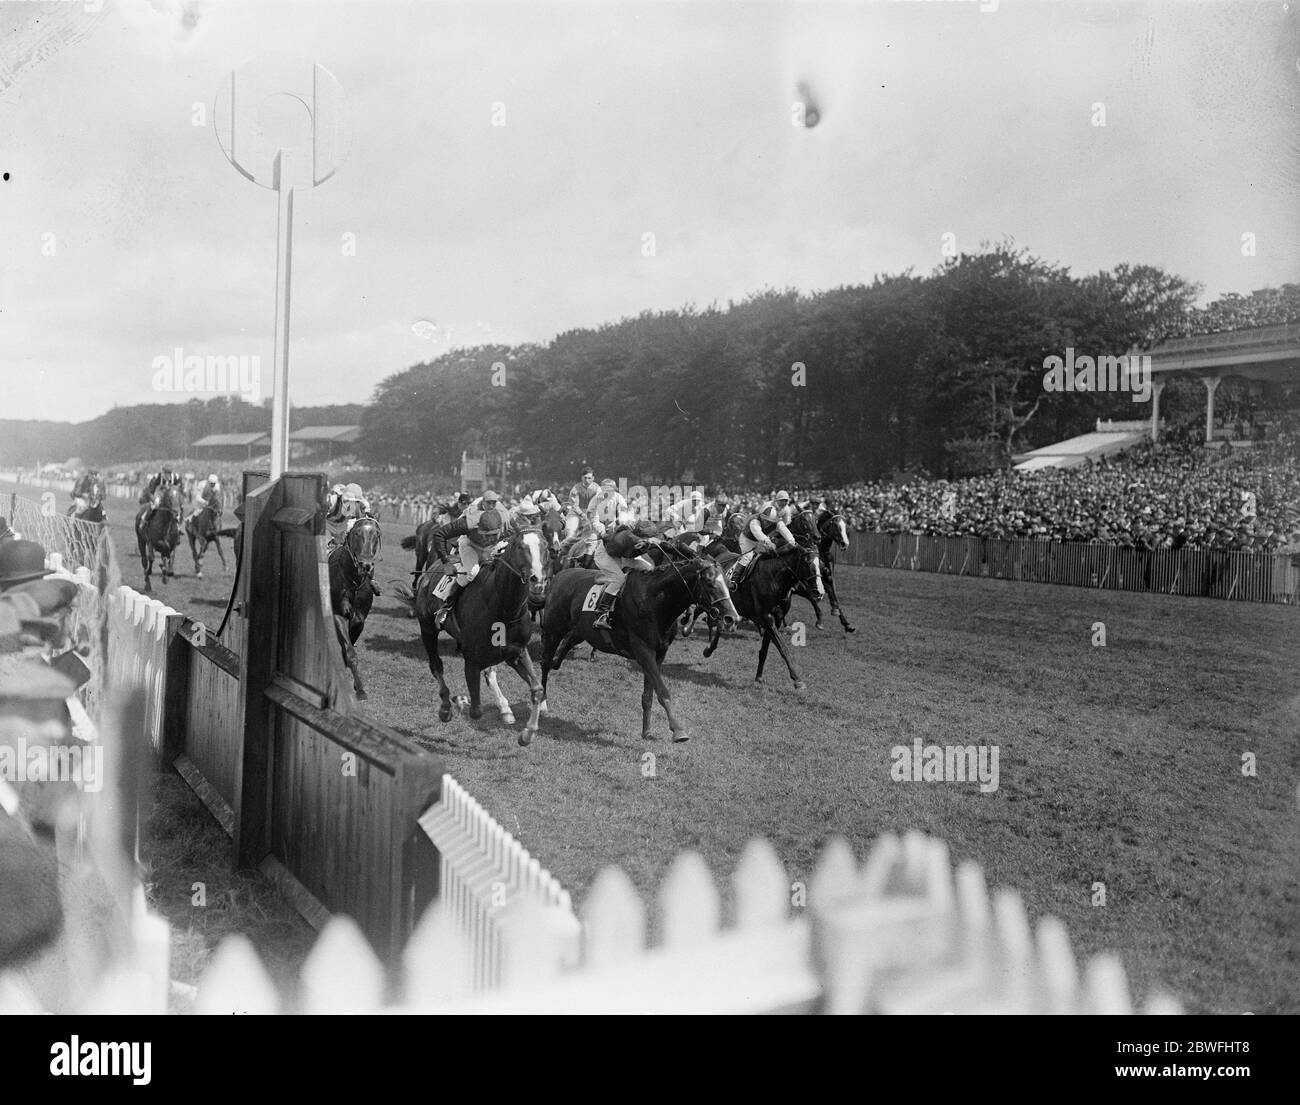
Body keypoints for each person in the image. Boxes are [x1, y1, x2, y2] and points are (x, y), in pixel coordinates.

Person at [427, 506, 507, 629]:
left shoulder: (507, 522)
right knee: (473, 571)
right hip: (470, 545)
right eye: (486, 535)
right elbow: (439, 534)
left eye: (493, 535)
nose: (489, 539)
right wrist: (446, 563)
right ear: (478, 527)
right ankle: (446, 606)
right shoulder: (466, 524)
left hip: (493, 547)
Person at [591, 520, 659, 631]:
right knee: (619, 579)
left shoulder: (636, 538)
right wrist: (647, 543)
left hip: (621, 556)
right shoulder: (627, 536)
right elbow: (632, 539)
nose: (650, 539)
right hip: (605, 555)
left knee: (649, 567)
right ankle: (601, 614)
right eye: (648, 537)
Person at [729, 499, 798, 588]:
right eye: (765, 520)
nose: (766, 523)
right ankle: (734, 579)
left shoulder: (778, 522)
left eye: (769, 522)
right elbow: (759, 534)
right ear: (762, 517)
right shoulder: (754, 521)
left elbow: (786, 532)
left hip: (760, 541)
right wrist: (768, 542)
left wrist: (792, 542)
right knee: (747, 557)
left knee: (773, 555)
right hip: (747, 540)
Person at [566, 467, 600, 539]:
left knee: (597, 530)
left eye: (589, 478)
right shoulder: (575, 489)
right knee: (570, 531)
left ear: (593, 478)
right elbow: (574, 505)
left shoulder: (597, 489)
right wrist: (582, 514)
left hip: (591, 513)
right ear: (582, 478)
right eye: (585, 478)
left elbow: (597, 504)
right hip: (576, 513)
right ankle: (566, 547)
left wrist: (589, 514)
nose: (587, 480)